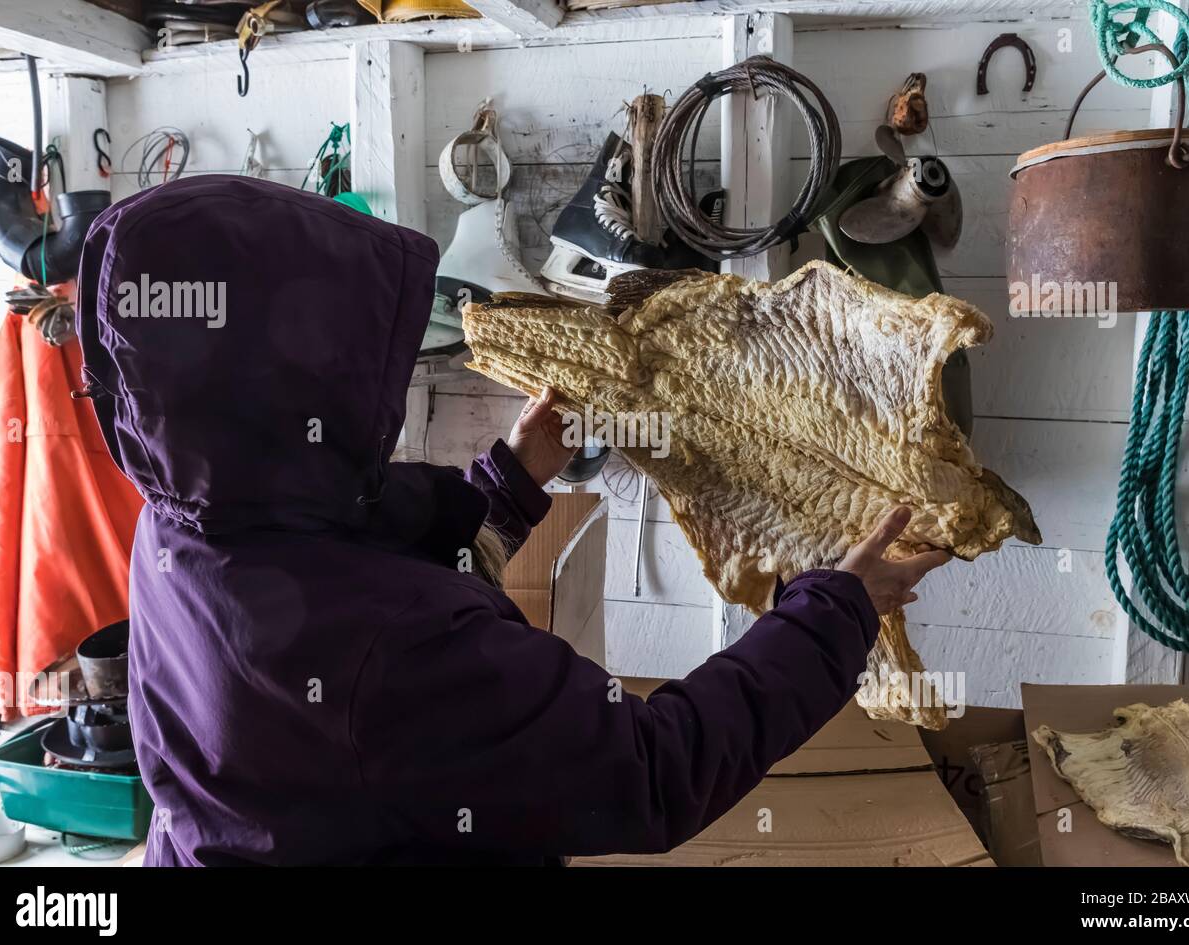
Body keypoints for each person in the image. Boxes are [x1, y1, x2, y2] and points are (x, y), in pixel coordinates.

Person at [76, 175, 950, 866]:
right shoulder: (390, 657)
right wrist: (840, 609)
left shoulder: (185, 518)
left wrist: (514, 476)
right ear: (297, 374)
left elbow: (364, 545)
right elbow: (654, 771)